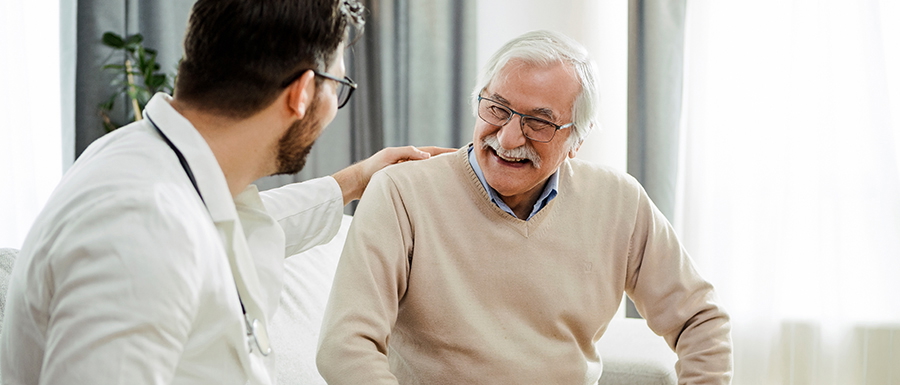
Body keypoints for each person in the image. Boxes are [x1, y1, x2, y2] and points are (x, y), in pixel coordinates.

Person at [0, 1, 450, 384]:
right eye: (340, 86)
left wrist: (353, 182)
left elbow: (228, 224)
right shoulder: (140, 225)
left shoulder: (153, 165)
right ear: (303, 92)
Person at [316, 30, 733, 385]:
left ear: (577, 140)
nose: (510, 138)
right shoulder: (401, 193)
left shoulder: (618, 201)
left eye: (539, 122)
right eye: (497, 109)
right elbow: (345, 345)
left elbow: (700, 320)